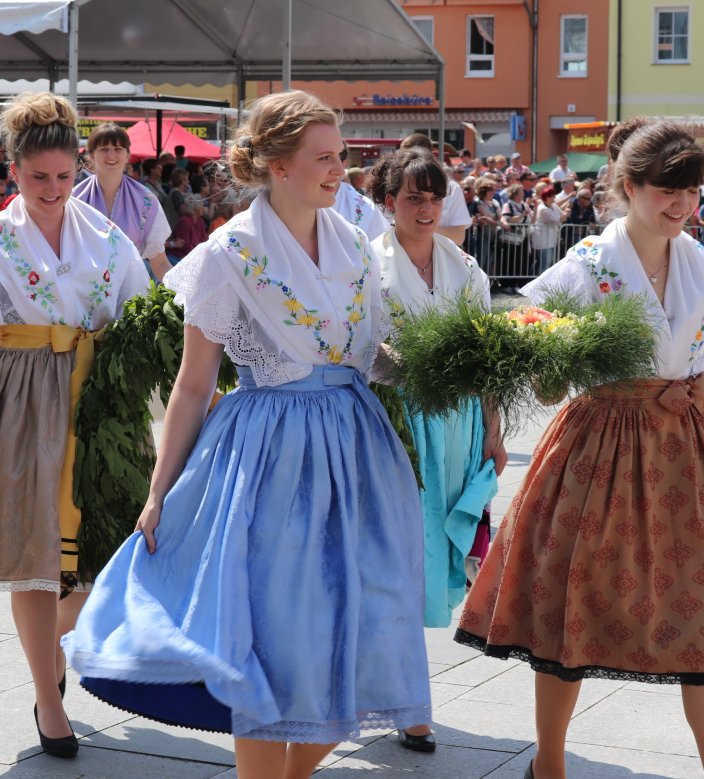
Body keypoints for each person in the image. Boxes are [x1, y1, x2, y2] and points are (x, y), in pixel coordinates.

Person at [63, 89, 431, 779]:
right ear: (276, 165)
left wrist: (443, 363)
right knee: (264, 645)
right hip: (269, 459)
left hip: (357, 454)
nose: (338, 170)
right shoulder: (228, 254)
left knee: (362, 635)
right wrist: (158, 490)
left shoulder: (355, 243)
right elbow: (194, 384)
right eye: (323, 158)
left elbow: (371, 356)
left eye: (340, 156)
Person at [455, 118, 704, 779]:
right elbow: (542, 385)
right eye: (665, 190)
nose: (680, 204)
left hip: (686, 450)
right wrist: (551, 353)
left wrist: (694, 387)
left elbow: (702, 362)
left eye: (690, 189)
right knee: (571, 613)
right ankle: (550, 763)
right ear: (629, 186)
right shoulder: (586, 265)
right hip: (600, 444)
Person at [0, 92, 149, 759]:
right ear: (14, 173)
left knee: (102, 557)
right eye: (39, 178)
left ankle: (52, 652)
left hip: (97, 395)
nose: (54, 190)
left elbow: (142, 308)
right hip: (22, 393)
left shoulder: (108, 237)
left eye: (63, 176)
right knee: (35, 560)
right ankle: (48, 697)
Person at [367, 146, 505, 754]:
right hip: (395, 423)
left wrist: (495, 432)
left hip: (458, 426)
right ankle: (408, 699)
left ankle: (394, 691)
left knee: (431, 559)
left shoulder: (465, 268)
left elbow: (485, 361)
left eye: (434, 196)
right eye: (412, 197)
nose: (426, 209)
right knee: (399, 558)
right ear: (387, 201)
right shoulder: (364, 265)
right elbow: (356, 351)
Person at [73, 123, 173, 281]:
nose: (111, 155)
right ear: (91, 155)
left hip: (132, 295)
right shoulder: (75, 200)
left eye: (118, 149)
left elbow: (159, 262)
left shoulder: (146, 200)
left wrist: (183, 295)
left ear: (127, 155)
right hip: (86, 293)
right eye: (104, 149)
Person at [400, 133, 471, 245]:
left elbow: (459, 237)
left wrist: (422, 226)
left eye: (437, 198)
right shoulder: (394, 185)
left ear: (428, 154)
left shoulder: (451, 188)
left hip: (439, 258)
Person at [531, 185, 568, 274]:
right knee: (544, 263)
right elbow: (556, 220)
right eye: (552, 196)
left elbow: (563, 216)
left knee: (547, 263)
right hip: (543, 241)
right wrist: (566, 212)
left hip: (550, 240)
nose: (554, 197)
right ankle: (538, 284)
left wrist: (563, 215)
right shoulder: (542, 209)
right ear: (547, 197)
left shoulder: (553, 205)